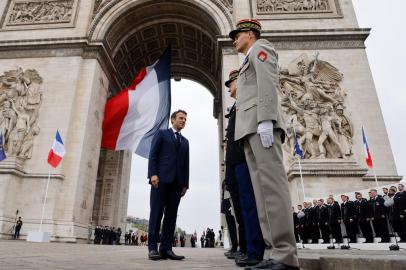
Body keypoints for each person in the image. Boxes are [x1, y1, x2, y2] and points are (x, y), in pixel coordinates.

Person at [229, 19, 299, 269]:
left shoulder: (262, 49)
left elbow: (268, 83)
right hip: (249, 130)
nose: (234, 40)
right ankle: (272, 251)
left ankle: (285, 253)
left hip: (261, 126)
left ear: (249, 33)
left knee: (273, 189)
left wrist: (267, 119)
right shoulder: (248, 58)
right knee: (261, 193)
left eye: (236, 35)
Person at [224, 69, 264, 266]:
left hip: (243, 159)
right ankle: (245, 246)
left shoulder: (246, 103)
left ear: (239, 82)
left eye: (231, 83)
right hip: (233, 163)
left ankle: (254, 249)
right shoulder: (234, 107)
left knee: (248, 205)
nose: (229, 87)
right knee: (239, 208)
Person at [147, 110, 189, 261]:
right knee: (156, 214)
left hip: (177, 184)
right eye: (180, 118)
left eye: (185, 119)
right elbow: (153, 155)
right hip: (160, 180)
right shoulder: (161, 134)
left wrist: (185, 184)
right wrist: (152, 174)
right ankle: (152, 248)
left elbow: (186, 165)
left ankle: (166, 249)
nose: (183, 121)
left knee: (171, 217)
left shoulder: (185, 142)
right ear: (172, 120)